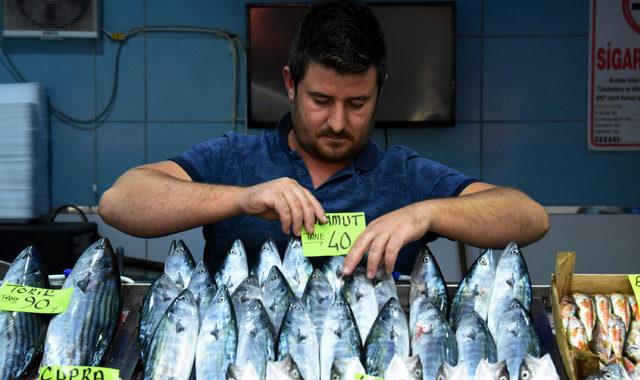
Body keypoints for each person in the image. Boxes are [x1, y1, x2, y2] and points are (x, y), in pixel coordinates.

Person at [98, 0, 549, 279]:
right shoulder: (234, 158)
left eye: (357, 104)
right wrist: (241, 199)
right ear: (290, 84)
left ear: (379, 92)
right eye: (320, 100)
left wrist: (426, 213)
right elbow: (119, 202)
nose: (337, 122)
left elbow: (528, 217)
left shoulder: (405, 175)